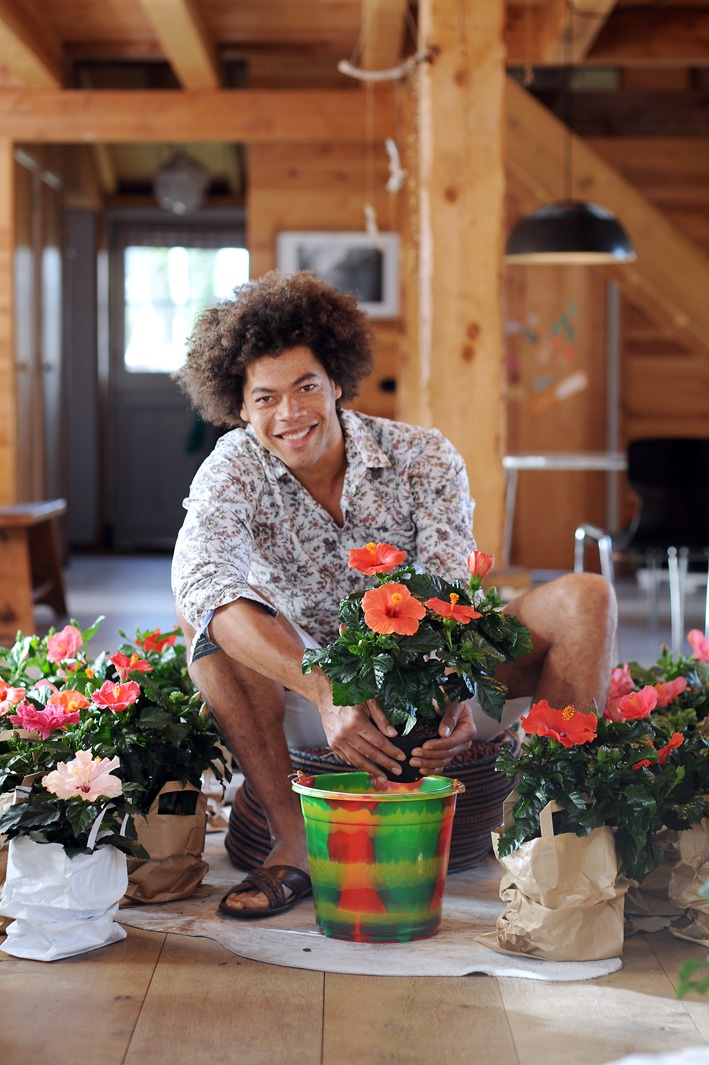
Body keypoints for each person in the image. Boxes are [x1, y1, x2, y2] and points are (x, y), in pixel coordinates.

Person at [172, 270, 617, 919]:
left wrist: (458, 684)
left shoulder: (420, 455)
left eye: (305, 386)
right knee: (206, 622)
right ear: (239, 408)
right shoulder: (232, 468)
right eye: (265, 398)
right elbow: (203, 581)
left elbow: (449, 588)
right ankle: (292, 846)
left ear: (336, 382)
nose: (290, 413)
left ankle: (542, 836)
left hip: (429, 676)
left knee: (587, 595)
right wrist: (326, 687)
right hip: (298, 685)